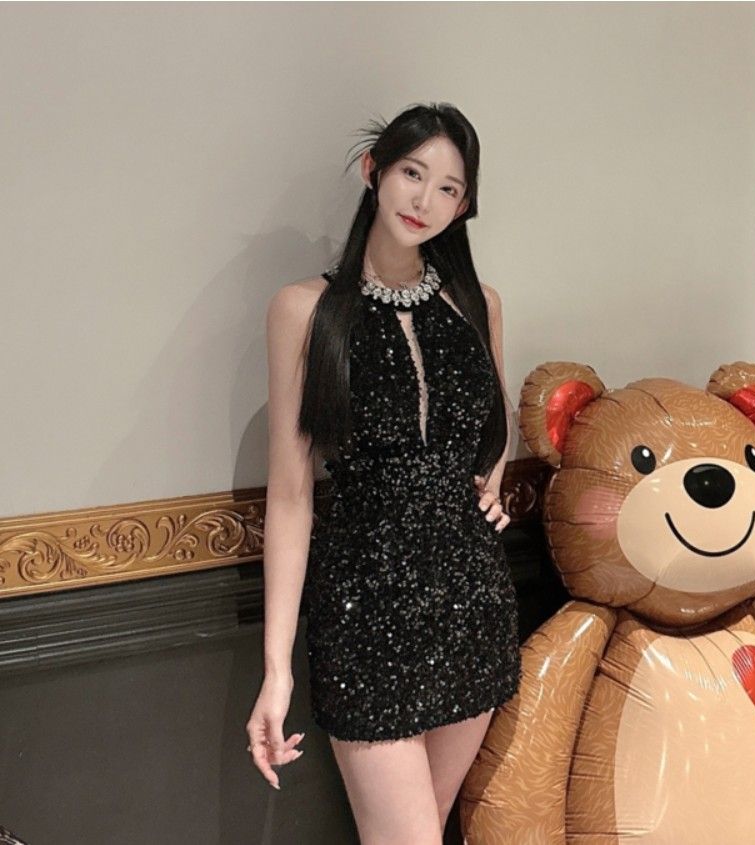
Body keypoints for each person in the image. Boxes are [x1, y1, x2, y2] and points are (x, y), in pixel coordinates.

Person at [246, 101, 521, 844]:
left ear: (464, 205)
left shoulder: (478, 304)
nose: (424, 199)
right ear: (374, 171)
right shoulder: (303, 310)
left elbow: (489, 423)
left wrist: (492, 480)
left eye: (448, 188)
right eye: (411, 173)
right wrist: (277, 669)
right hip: (364, 614)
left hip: (471, 605)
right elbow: (291, 496)